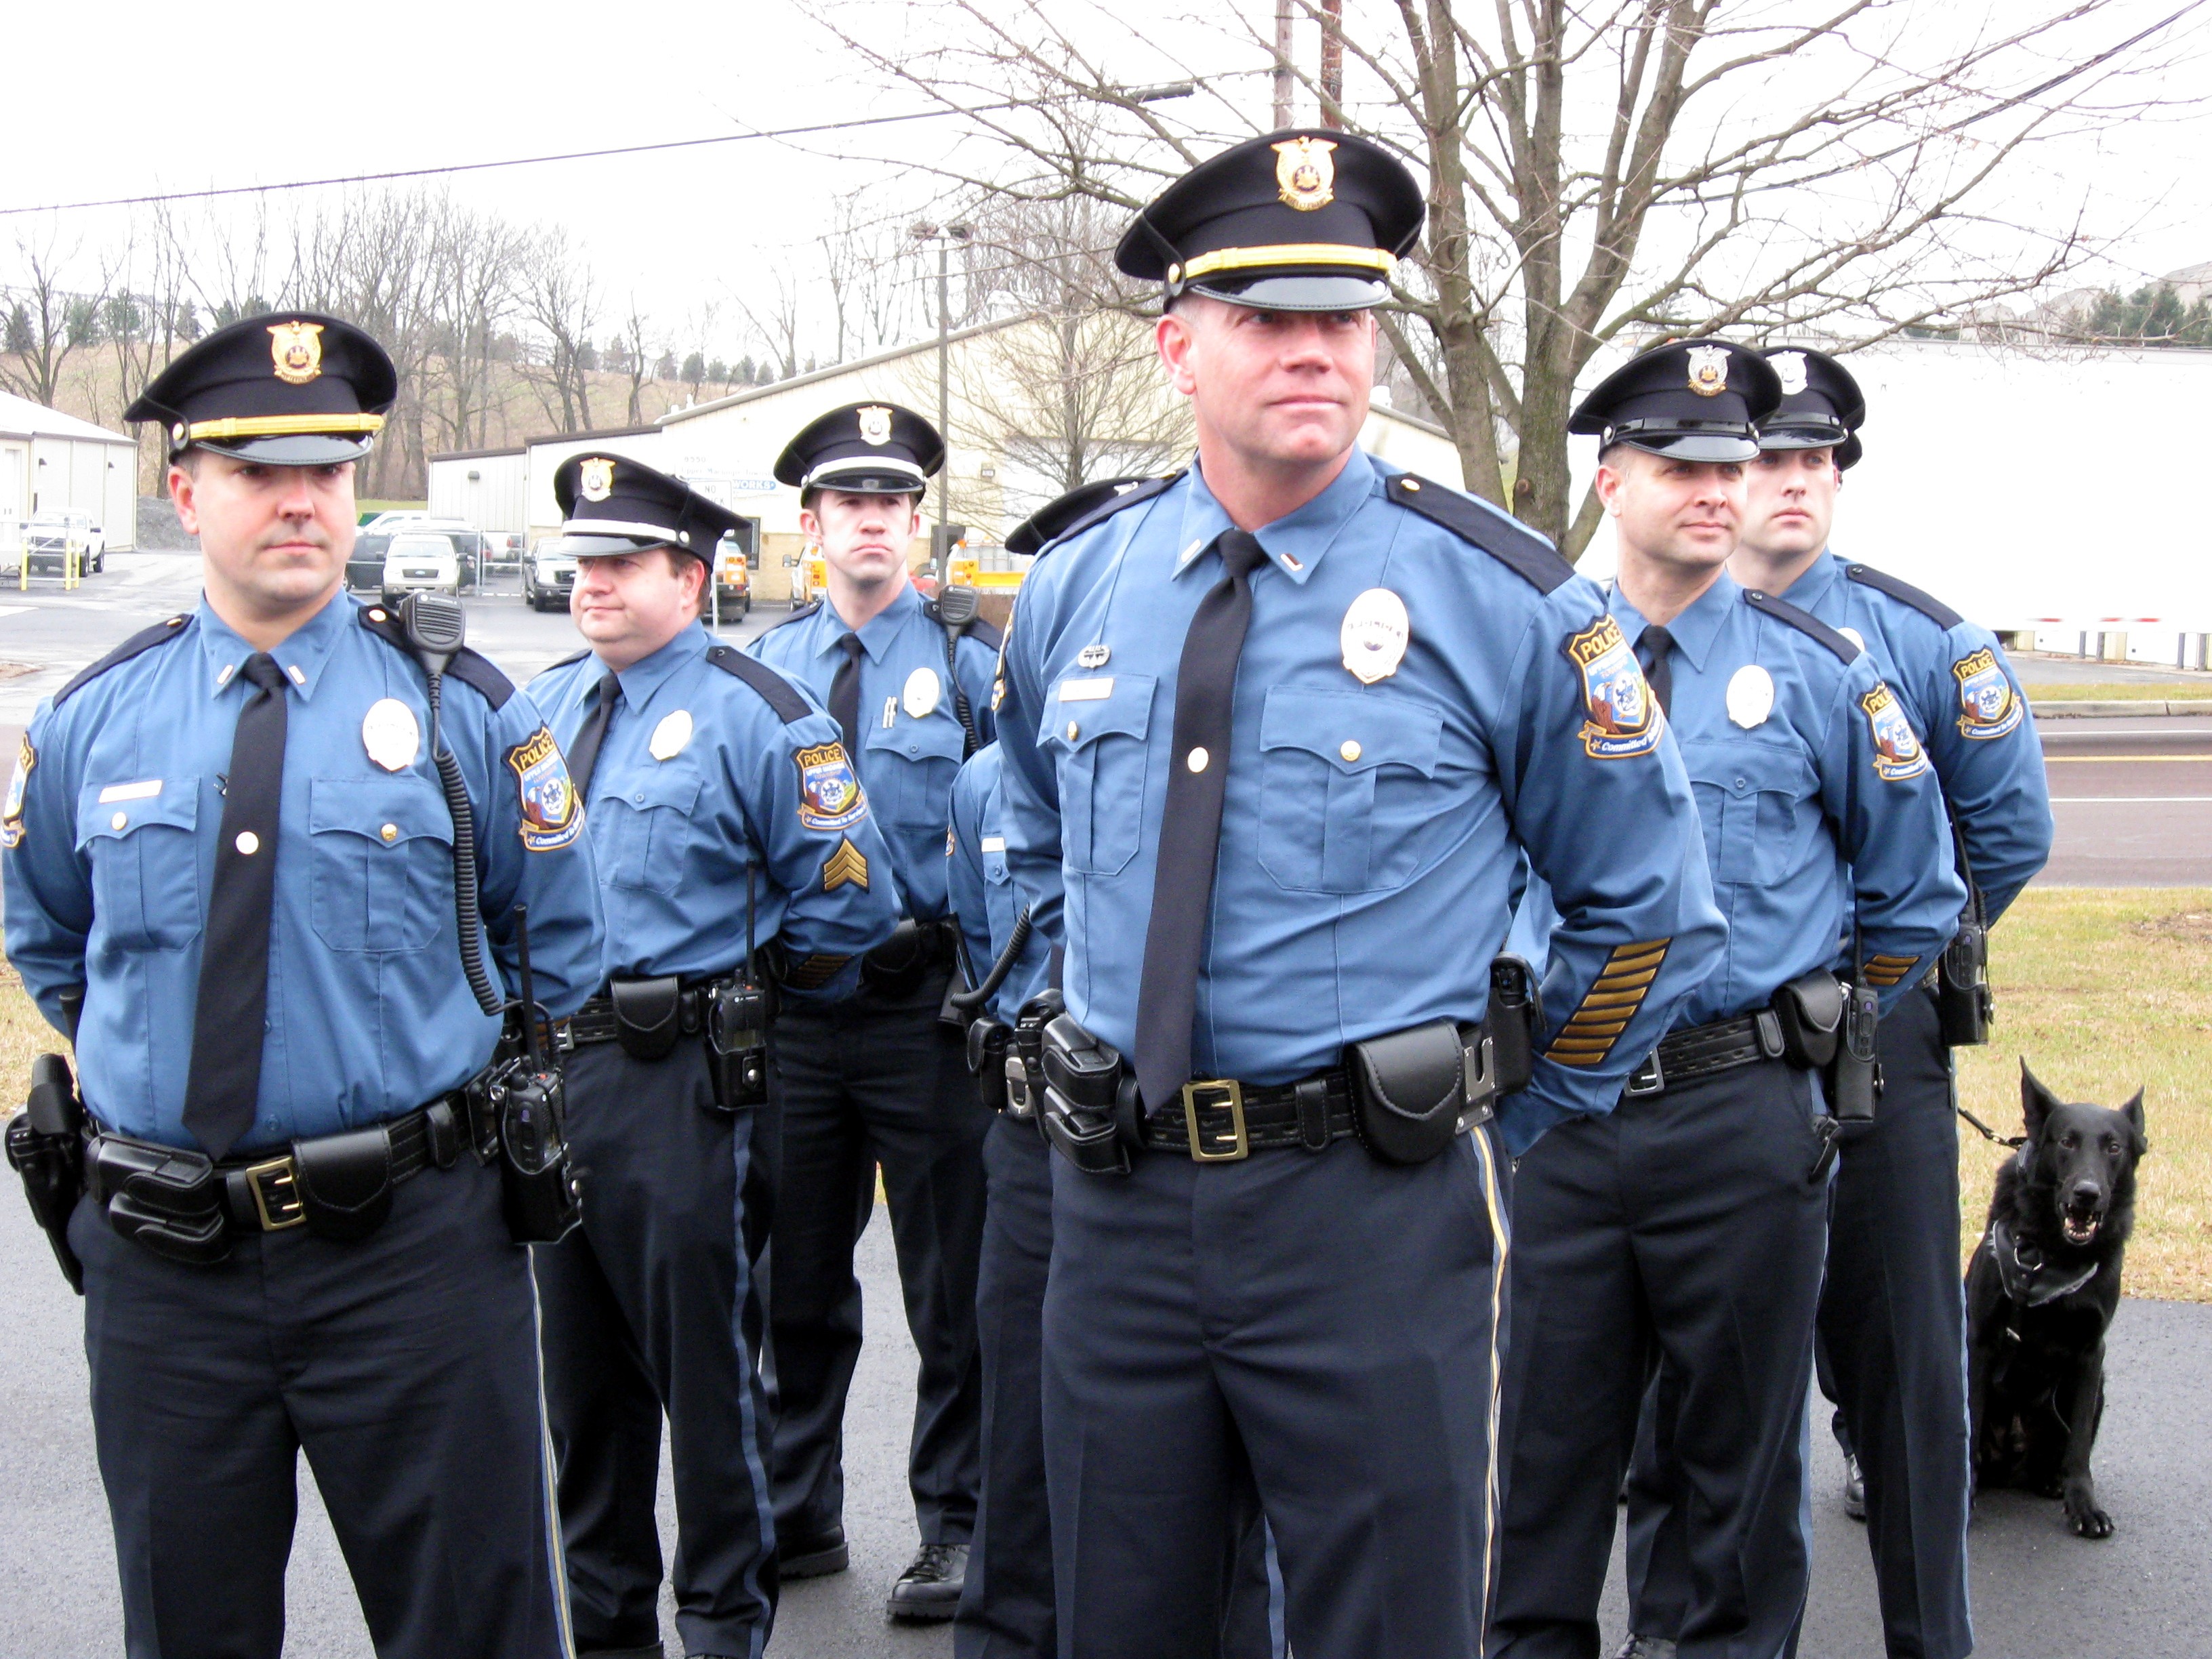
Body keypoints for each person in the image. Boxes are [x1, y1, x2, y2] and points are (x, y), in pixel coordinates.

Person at [993, 130, 1727, 1658]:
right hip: (1117, 1221)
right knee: (1126, 1625)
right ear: (1177, 345)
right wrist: (1061, 1026)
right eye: (1267, 317)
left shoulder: (1505, 596)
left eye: (1343, 318)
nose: (1314, 352)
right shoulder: (1083, 584)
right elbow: (1013, 831)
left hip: (1366, 1223)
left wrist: (1499, 1104)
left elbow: (1648, 906)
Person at [1, 312, 605, 1659]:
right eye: (256, 470)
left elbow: (553, 936)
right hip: (167, 1270)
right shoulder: (99, 719)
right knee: (188, 1628)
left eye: (327, 470)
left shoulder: (467, 709)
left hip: (415, 1257)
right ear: (186, 489)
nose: (297, 499)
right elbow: (52, 932)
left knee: (477, 1625)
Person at [1488, 339, 1968, 1659]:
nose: (1716, 487)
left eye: (1732, 464)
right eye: (1681, 463)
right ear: (1610, 479)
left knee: (1733, 1500)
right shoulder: (1523, 662)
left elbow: (1916, 897)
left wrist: (1794, 1024)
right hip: (1562, 1125)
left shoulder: (1819, 672)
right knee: (1539, 1481)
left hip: (1743, 1121)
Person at [1616, 347, 2053, 1659]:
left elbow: (2003, 839)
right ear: (1718, 476)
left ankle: (1932, 1639)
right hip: (1691, 1077)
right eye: (1769, 457)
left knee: (1906, 1381)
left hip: (1870, 1058)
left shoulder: (1919, 640)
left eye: (1818, 460)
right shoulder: (1631, 640)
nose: (1794, 482)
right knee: (1684, 1396)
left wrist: (1849, 978)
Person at [525, 453, 901, 1659]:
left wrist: (742, 1003)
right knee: (585, 1395)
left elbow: (849, 904)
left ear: (691, 578)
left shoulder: (761, 712)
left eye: (623, 563)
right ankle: (609, 1629)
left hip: (687, 1084)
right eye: (584, 561)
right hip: (557, 1085)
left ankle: (725, 1625)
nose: (595, 583)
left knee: (708, 1385)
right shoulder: (535, 713)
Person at [747, 402, 1000, 1618]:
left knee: (951, 1287)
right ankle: (796, 1511)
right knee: (793, 1282)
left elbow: (1020, 831)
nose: (872, 522)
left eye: (892, 504)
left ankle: (956, 1525)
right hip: (797, 1023)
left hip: (928, 1017)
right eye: (849, 503)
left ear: (916, 525)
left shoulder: (964, 664)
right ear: (810, 525)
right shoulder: (764, 671)